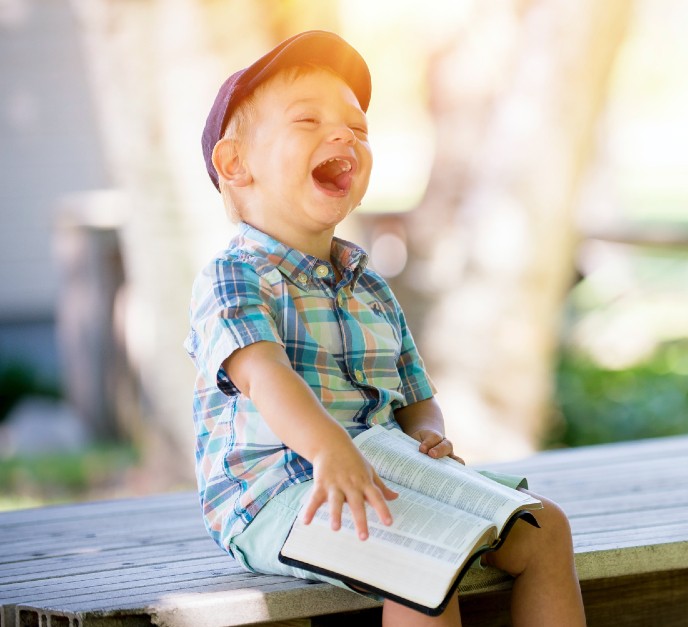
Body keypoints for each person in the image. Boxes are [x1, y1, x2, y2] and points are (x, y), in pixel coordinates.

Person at [185, 31, 585, 627]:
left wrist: (428, 435)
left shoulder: (367, 282)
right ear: (235, 163)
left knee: (544, 526)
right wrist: (330, 449)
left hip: (386, 471)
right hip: (275, 495)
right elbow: (265, 377)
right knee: (424, 557)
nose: (345, 133)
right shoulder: (234, 277)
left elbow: (416, 396)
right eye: (308, 119)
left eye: (358, 126)